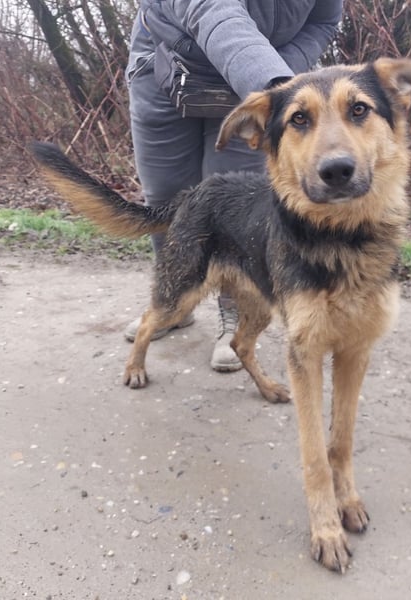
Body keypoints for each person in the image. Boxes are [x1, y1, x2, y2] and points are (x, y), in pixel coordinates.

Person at [124, 0, 342, 371]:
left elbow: (322, 22)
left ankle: (233, 317)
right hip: (167, 66)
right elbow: (213, 9)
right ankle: (175, 301)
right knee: (166, 197)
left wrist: (278, 77)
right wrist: (277, 89)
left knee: (236, 206)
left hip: (256, 80)